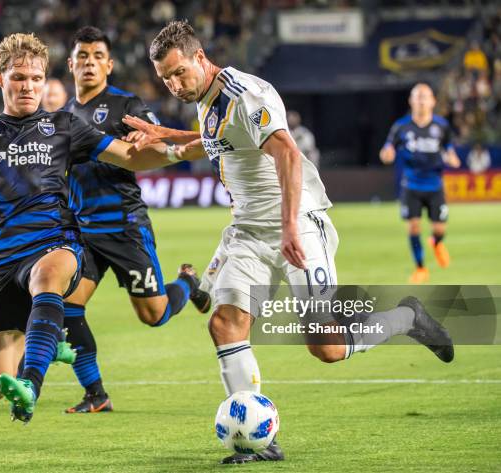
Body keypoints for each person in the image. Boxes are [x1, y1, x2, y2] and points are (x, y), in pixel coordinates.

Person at [124, 21, 455, 464]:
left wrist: (289, 228)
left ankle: (407, 317)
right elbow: (219, 141)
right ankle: (256, 439)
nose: (174, 84)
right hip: (247, 232)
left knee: (327, 348)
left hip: (294, 224)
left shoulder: (246, 93)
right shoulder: (207, 100)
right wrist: (173, 138)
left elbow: (287, 153)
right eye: (166, 78)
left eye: (179, 72)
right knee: (224, 324)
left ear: (199, 58)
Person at [0, 32, 196, 424]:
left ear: (45, 79)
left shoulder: (63, 126)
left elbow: (131, 158)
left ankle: (33, 383)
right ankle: (52, 345)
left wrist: (196, 145)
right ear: (1, 80)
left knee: (51, 281)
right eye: (18, 78)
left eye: (35, 78)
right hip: (2, 264)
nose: (28, 86)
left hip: (57, 246)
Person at [60, 26, 211, 414]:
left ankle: (188, 283)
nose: (89, 62)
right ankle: (96, 394)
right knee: (67, 308)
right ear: (71, 64)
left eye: (97, 56)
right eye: (82, 56)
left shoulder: (126, 106)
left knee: (154, 315)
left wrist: (156, 147)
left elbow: (156, 147)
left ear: (109, 65)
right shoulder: (62, 117)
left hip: (124, 227)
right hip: (83, 232)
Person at [380, 83, 461, 283]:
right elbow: (387, 150)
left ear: (433, 101)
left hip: (435, 185)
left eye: (425, 96)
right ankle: (421, 268)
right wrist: (386, 154)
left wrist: (452, 157)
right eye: (417, 96)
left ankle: (436, 242)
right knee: (413, 227)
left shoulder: (441, 126)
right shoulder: (401, 126)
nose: (421, 100)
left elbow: (449, 147)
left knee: (439, 228)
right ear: (411, 101)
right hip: (411, 186)